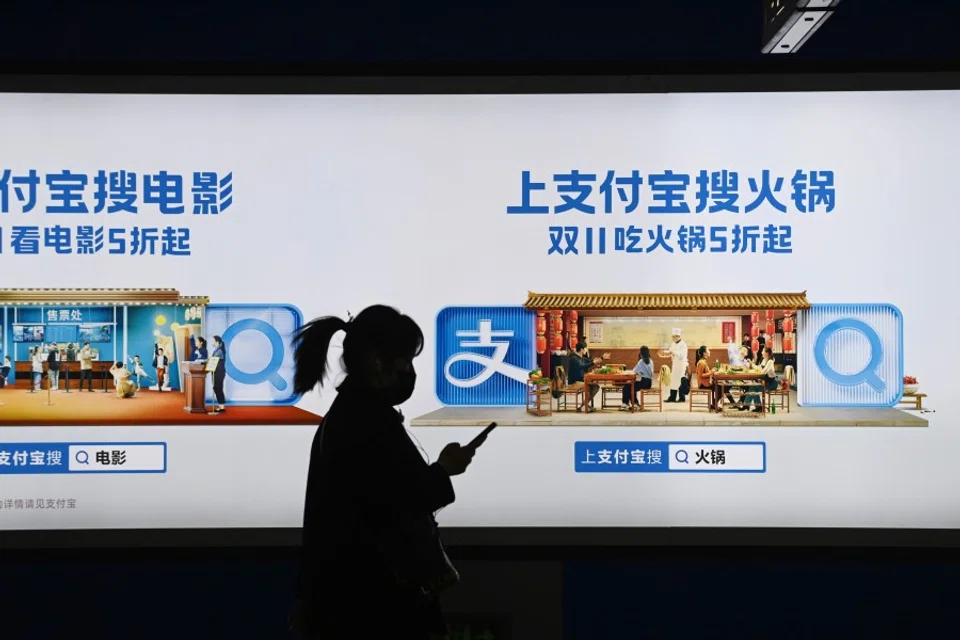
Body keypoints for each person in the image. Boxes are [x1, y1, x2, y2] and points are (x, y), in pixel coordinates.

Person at [289, 305, 480, 639]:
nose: (409, 370)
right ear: (378, 362)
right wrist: (444, 470)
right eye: (405, 360)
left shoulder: (349, 414)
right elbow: (397, 502)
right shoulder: (367, 422)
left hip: (350, 602)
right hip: (376, 604)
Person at [567, 341, 609, 413]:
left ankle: (584, 405)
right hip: (574, 383)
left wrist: (602, 358)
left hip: (580, 381)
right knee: (588, 386)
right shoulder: (574, 358)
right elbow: (581, 366)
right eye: (586, 348)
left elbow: (591, 361)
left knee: (595, 386)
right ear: (582, 349)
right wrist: (593, 363)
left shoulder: (580, 357)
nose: (586, 350)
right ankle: (585, 406)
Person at [621, 346, 654, 411]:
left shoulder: (641, 361)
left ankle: (625, 403)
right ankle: (635, 404)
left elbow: (634, 371)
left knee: (627, 386)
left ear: (641, 353)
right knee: (632, 385)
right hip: (649, 383)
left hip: (644, 382)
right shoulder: (650, 361)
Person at [662, 328, 688, 403]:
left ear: (678, 336)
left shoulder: (683, 344)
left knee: (681, 381)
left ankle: (682, 398)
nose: (673, 338)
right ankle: (672, 397)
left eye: (674, 337)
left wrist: (673, 351)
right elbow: (670, 352)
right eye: (672, 337)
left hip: (681, 365)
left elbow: (682, 355)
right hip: (675, 365)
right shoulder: (673, 344)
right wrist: (665, 352)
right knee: (673, 381)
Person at [695, 346, 717, 411]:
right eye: (708, 350)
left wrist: (711, 371)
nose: (709, 351)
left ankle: (714, 405)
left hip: (705, 383)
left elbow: (706, 372)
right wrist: (711, 372)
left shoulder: (703, 361)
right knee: (721, 387)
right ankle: (714, 405)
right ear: (704, 353)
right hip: (703, 384)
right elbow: (700, 375)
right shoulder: (701, 362)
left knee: (720, 386)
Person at [210, 335, 227, 413]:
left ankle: (222, 406)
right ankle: (221, 406)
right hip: (216, 372)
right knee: (216, 388)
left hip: (219, 372)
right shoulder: (217, 349)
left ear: (217, 341)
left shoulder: (219, 351)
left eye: (213, 340)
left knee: (218, 388)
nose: (212, 342)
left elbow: (213, 360)